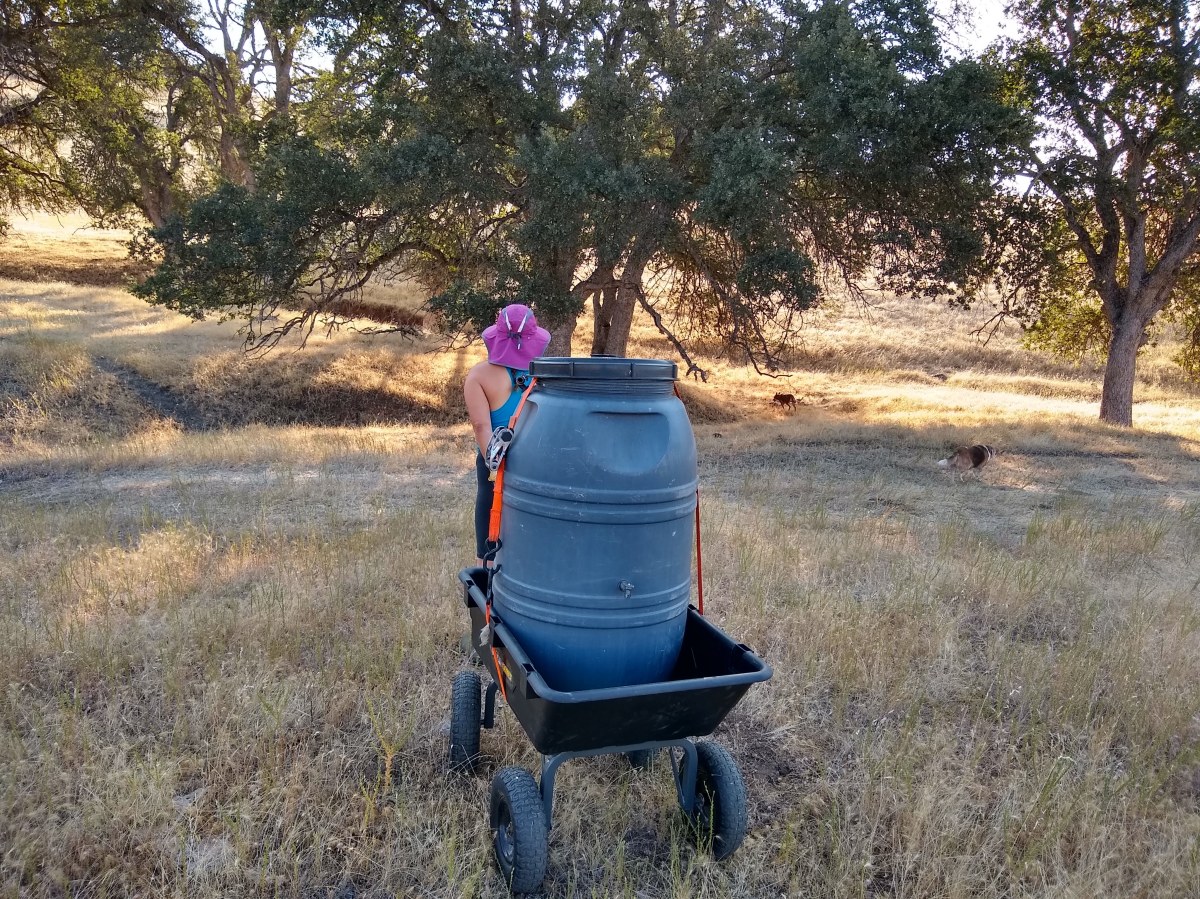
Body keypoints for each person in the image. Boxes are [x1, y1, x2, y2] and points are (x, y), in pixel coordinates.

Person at [464, 303, 551, 565]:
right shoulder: (545, 372)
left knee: (491, 517)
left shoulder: (479, 376)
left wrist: (494, 462)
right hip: (536, 458)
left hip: (496, 460)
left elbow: (482, 426)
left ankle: (486, 578)